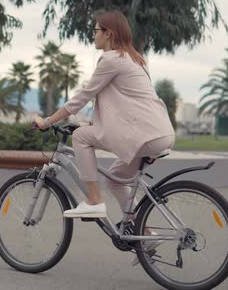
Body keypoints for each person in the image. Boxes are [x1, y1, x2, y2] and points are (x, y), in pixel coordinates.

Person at [33, 11, 175, 220]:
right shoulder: (135, 59)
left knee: (80, 136)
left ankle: (94, 201)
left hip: (145, 135)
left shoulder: (111, 59)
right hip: (159, 132)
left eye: (96, 30)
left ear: (108, 33)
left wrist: (47, 122)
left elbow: (82, 96)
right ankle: (144, 233)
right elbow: (125, 102)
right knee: (115, 180)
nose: (93, 34)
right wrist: (93, 122)